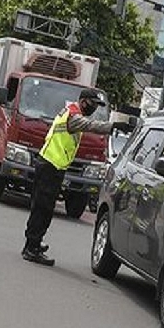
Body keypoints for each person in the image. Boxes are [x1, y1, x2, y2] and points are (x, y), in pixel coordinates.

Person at [23, 88, 136, 266]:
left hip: (52, 166)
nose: (94, 108)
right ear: (83, 101)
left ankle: (34, 243)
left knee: (43, 208)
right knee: (42, 209)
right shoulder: (73, 116)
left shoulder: (71, 112)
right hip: (50, 166)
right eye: (93, 104)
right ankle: (31, 247)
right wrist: (113, 126)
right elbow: (90, 125)